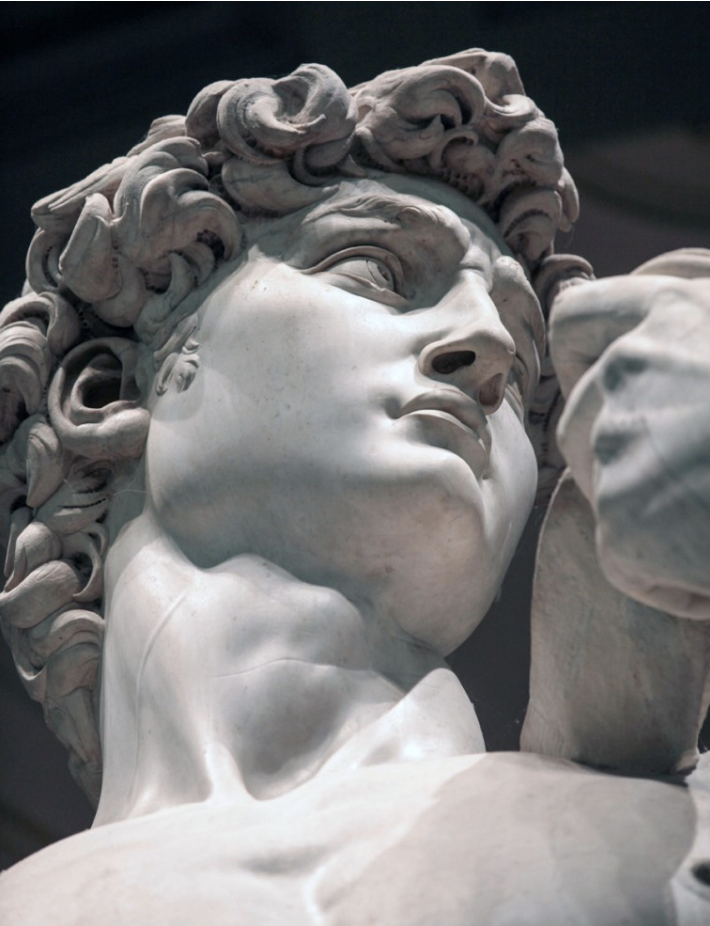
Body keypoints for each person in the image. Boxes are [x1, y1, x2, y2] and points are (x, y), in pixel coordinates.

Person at [0, 50, 708, 925]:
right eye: (376, 268)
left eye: (527, 362)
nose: (486, 350)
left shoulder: (667, 831)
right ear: (113, 389)